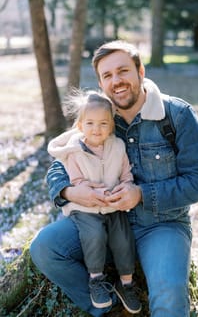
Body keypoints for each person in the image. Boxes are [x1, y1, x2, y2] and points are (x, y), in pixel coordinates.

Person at [30, 40, 198, 317]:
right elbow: (61, 165)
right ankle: (106, 308)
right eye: (107, 76)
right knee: (46, 248)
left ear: (140, 71)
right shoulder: (97, 115)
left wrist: (141, 193)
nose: (116, 81)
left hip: (161, 226)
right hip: (101, 220)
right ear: (101, 83)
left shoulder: (177, 115)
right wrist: (69, 192)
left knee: (169, 298)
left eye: (123, 71)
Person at [47, 90, 141, 314]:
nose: (96, 129)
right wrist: (91, 192)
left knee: (123, 237)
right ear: (80, 125)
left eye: (103, 124)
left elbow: (126, 173)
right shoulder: (73, 151)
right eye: (90, 123)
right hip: (85, 207)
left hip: (113, 204)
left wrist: (125, 187)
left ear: (111, 125)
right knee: (94, 235)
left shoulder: (118, 146)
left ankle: (126, 283)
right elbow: (76, 180)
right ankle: (96, 279)